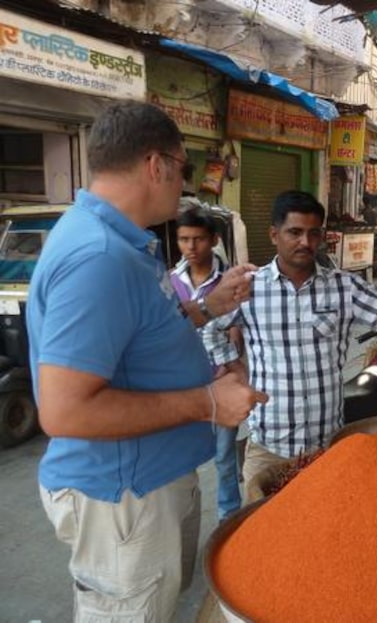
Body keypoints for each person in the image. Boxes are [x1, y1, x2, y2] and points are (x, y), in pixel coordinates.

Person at [27, 102, 268, 621]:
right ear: (156, 165)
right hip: (123, 500)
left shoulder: (125, 243)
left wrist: (205, 306)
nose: (185, 184)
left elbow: (138, 332)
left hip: (152, 481)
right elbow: (65, 412)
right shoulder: (97, 257)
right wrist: (207, 400)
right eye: (183, 168)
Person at [203, 190, 377, 486]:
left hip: (326, 447)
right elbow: (208, 327)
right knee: (261, 529)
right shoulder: (249, 288)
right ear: (274, 235)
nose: (305, 242)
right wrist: (232, 364)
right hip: (268, 448)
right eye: (295, 232)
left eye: (314, 234)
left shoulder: (344, 287)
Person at [170, 204, 243, 522]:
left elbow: (242, 328)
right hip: (183, 382)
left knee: (225, 457)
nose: (190, 247)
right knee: (182, 461)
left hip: (222, 378)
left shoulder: (230, 280)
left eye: (197, 239)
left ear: (213, 240)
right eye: (184, 239)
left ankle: (229, 518)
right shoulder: (170, 281)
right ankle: (184, 519)